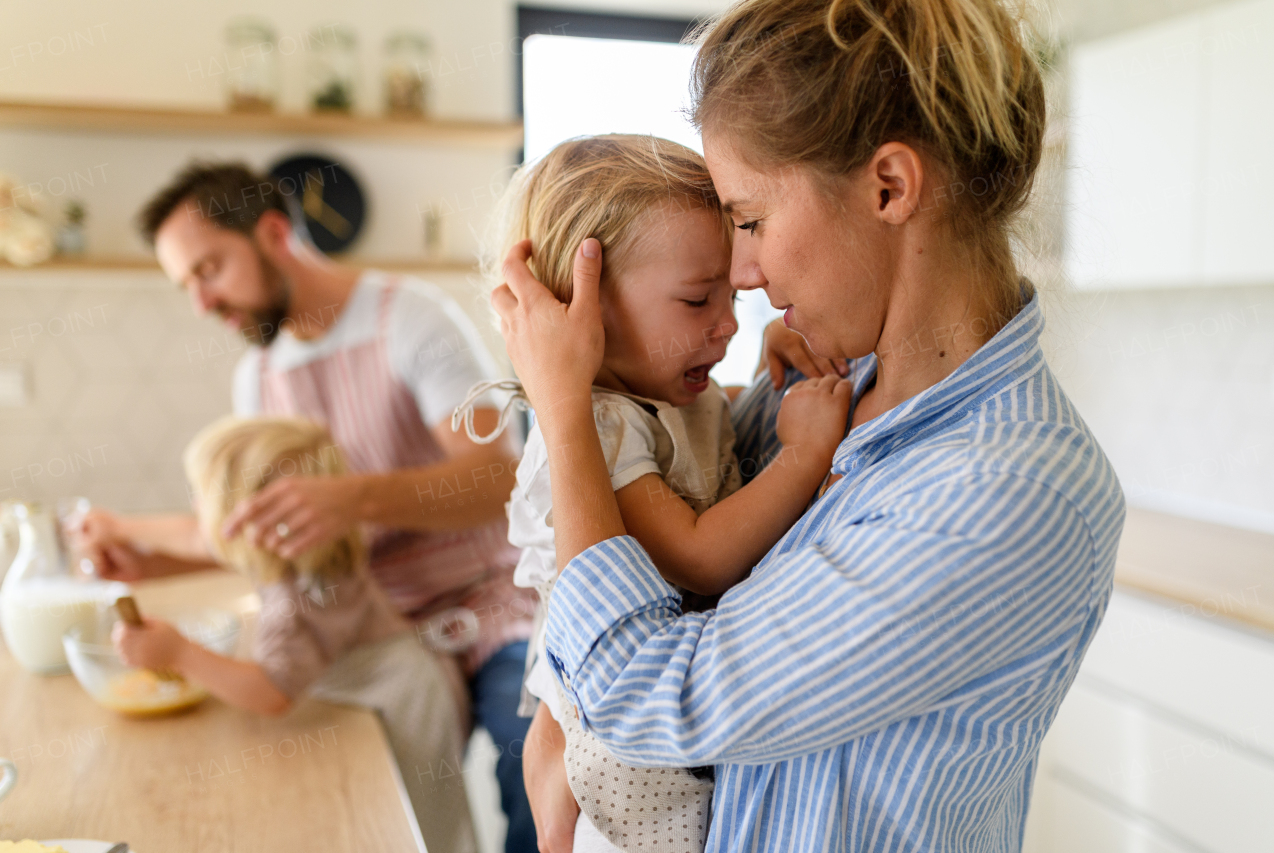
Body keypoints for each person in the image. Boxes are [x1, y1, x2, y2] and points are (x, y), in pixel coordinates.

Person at [497, 1, 1126, 851]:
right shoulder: (825, 392)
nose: (745, 274)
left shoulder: (1007, 486)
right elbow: (663, 547)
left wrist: (564, 412)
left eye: (751, 220)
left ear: (889, 187)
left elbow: (649, 695)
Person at [72, 163, 537, 851]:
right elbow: (257, 531)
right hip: (361, 626)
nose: (202, 302)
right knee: (331, 802)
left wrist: (353, 497)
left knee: (533, 759)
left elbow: (500, 477)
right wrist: (149, 556)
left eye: (209, 270)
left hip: (489, 607)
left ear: (272, 232)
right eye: (187, 285)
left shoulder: (410, 318)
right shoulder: (257, 377)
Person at [457, 134, 851, 853]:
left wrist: (767, 380)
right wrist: (803, 456)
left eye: (730, 294)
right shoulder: (601, 424)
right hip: (615, 739)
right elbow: (699, 556)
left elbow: (702, 445)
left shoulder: (662, 394)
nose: (729, 322)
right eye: (698, 299)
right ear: (585, 312)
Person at [114, 416, 478, 853]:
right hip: (393, 688)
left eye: (204, 495)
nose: (195, 504)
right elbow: (203, 542)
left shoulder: (307, 587)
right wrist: (121, 532)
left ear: (256, 516)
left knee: (424, 828)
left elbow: (271, 692)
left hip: (403, 704)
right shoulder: (305, 546)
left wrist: (178, 652)